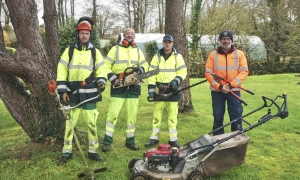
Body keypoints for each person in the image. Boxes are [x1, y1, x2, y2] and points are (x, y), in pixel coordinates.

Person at [56, 17, 108, 164]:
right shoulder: (69, 50)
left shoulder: (95, 52)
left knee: (91, 122)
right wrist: (62, 90)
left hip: (90, 92)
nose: (84, 35)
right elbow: (62, 69)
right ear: (77, 34)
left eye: (87, 33)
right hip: (72, 93)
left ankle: (93, 150)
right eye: (82, 33)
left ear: (90, 35)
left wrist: (102, 81)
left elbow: (101, 68)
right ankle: (66, 152)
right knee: (70, 123)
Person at [102, 28, 149, 152]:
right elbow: (105, 65)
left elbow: (145, 65)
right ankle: (107, 141)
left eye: (132, 34)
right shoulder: (115, 49)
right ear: (124, 35)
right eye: (127, 33)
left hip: (133, 86)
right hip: (118, 84)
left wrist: (140, 71)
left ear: (134, 37)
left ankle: (130, 141)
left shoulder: (138, 50)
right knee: (112, 114)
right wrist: (113, 78)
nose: (130, 35)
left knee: (132, 115)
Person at [145, 34, 187, 148]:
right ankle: (154, 137)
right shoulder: (157, 56)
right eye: (165, 42)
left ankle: (173, 140)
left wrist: (176, 81)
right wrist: (151, 89)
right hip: (159, 89)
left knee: (173, 116)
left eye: (169, 42)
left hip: (173, 89)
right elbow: (151, 73)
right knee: (157, 115)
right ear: (163, 43)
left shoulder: (178, 56)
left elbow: (183, 72)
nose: (167, 44)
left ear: (172, 43)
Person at [205, 30, 249, 136]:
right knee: (218, 116)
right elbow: (208, 73)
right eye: (223, 39)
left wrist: (230, 85)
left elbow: (244, 71)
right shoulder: (212, 55)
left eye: (228, 39)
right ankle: (218, 141)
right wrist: (219, 86)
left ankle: (237, 140)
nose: (225, 41)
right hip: (217, 92)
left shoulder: (240, 54)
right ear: (220, 41)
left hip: (234, 90)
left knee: (236, 117)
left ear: (231, 40)